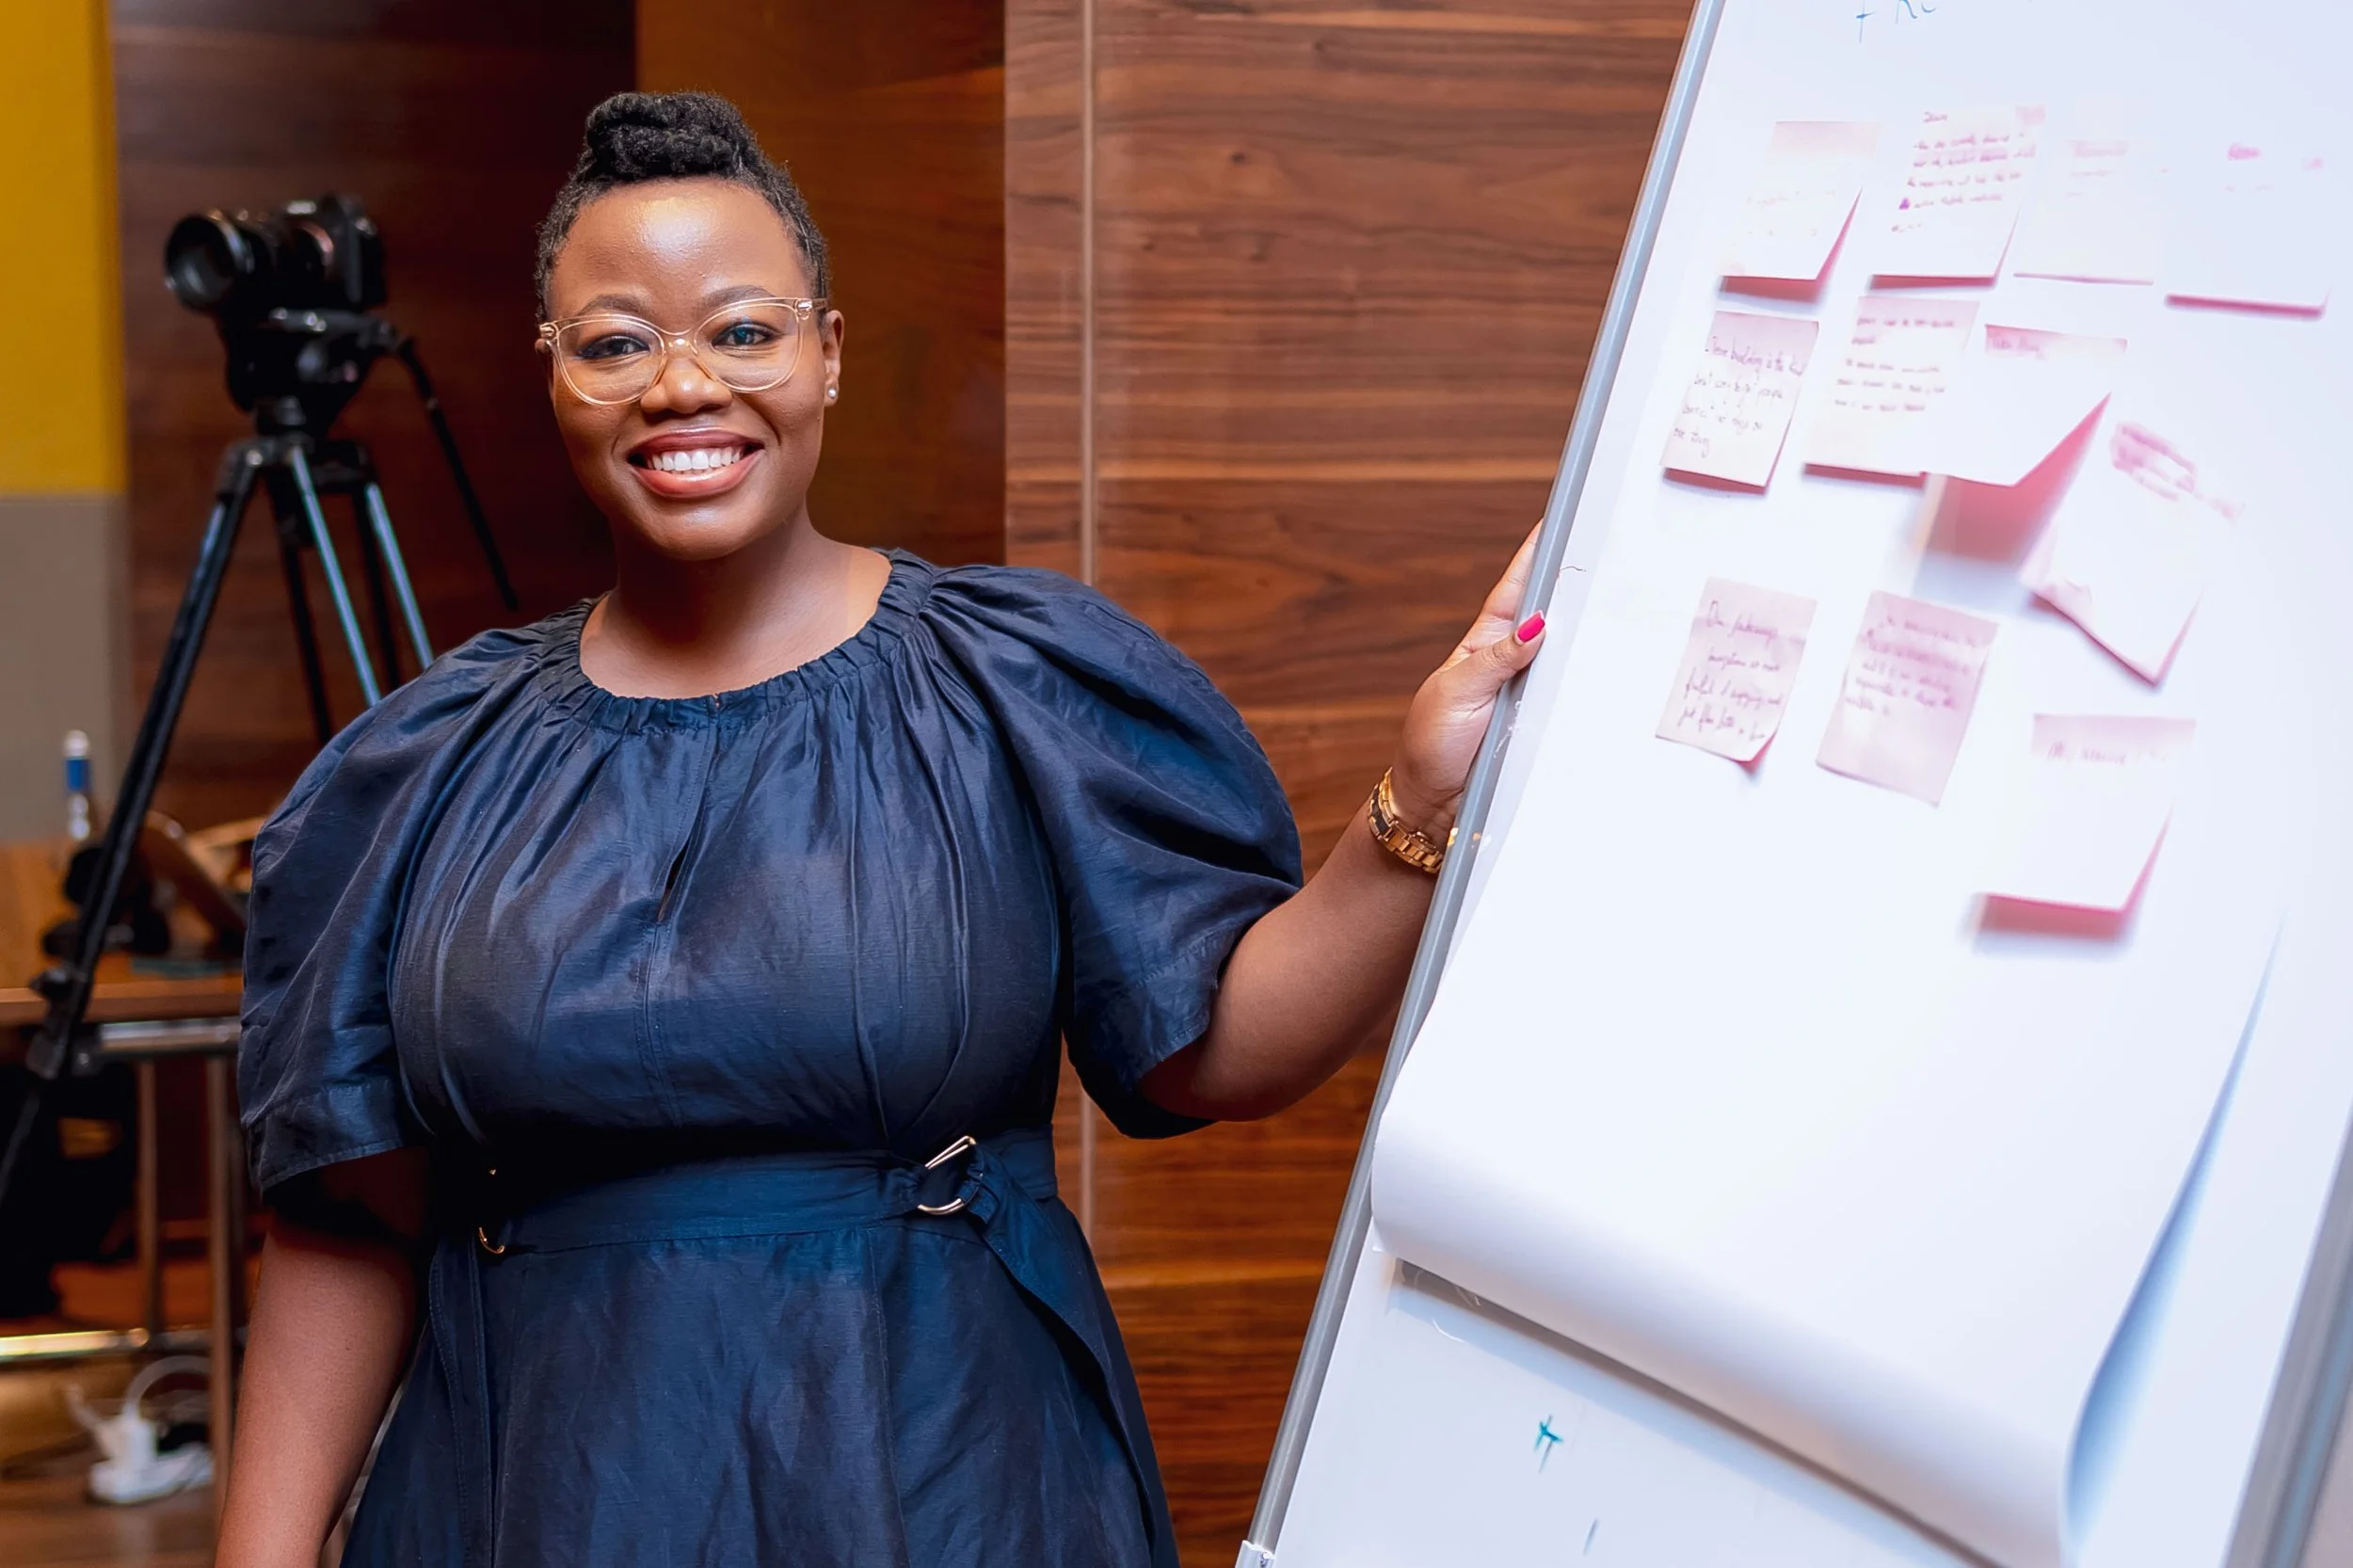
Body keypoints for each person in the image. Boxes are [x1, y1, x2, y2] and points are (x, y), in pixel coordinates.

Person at [216, 90, 1545, 1568]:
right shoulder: (426, 767)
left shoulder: (1010, 679)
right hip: (538, 1486)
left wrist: (1416, 806)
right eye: (614, 343)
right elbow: (347, 1223)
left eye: (742, 330)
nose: (683, 385)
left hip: (943, 1472)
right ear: (554, 375)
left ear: (827, 353)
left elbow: (1213, 1043)